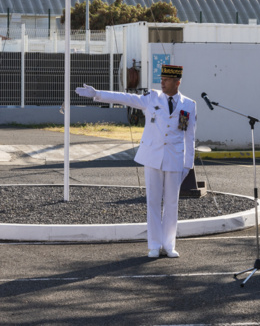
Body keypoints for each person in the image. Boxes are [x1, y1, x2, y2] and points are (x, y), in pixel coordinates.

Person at [75, 64, 196, 259]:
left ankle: (169, 244)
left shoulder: (189, 104)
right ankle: (155, 245)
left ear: (177, 82)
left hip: (175, 158)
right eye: (162, 80)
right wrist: (98, 94)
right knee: (154, 202)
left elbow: (190, 136)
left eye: (166, 80)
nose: (162, 83)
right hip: (153, 156)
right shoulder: (152, 98)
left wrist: (188, 164)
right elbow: (127, 98)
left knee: (172, 203)